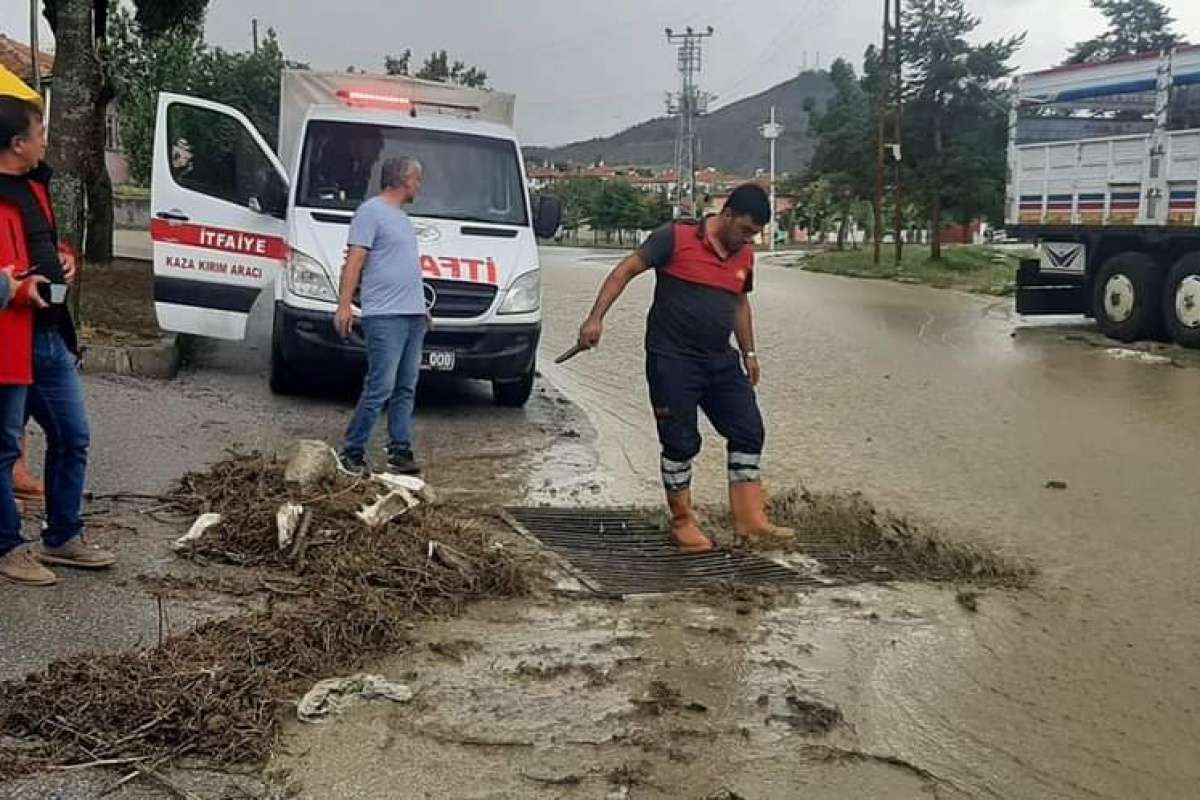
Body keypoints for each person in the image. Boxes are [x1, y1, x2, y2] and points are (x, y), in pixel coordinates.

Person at [575, 184, 794, 553]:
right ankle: (682, 522)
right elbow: (625, 270)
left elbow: (739, 303)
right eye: (744, 230)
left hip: (719, 360)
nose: (747, 239)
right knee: (680, 442)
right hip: (672, 359)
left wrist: (749, 353)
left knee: (747, 429)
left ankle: (749, 520)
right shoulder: (674, 238)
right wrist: (595, 319)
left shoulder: (744, 257)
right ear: (726, 215)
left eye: (754, 234)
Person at [0, 96, 112, 586]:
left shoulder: (35, 186)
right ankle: (7, 546)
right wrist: (13, 288)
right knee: (4, 449)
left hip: (48, 337)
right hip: (8, 340)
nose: (46, 140)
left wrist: (65, 258)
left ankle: (63, 535)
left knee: (73, 435)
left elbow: (45, 241)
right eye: (39, 132)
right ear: (16, 143)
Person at [334, 156, 427, 476]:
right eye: (417, 179)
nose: (419, 185)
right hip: (385, 315)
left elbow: (404, 268)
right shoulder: (370, 212)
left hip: (412, 315)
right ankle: (352, 449)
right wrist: (344, 305)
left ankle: (399, 449)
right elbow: (355, 261)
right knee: (381, 386)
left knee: (406, 386)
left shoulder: (401, 218)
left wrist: (422, 310)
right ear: (403, 179)